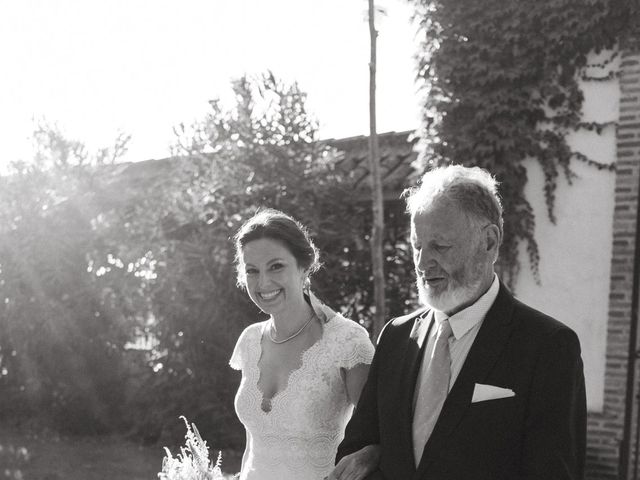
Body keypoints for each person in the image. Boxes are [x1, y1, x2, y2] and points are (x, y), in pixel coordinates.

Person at [334, 165, 587, 480]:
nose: (423, 262)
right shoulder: (396, 336)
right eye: (417, 246)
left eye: (440, 246)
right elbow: (355, 452)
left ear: (490, 242)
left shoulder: (548, 346)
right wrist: (376, 453)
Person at [229, 208, 379, 480]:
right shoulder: (249, 340)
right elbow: (254, 443)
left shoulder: (346, 340)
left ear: (303, 266)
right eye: (252, 271)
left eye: (276, 266)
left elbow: (379, 438)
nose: (263, 283)